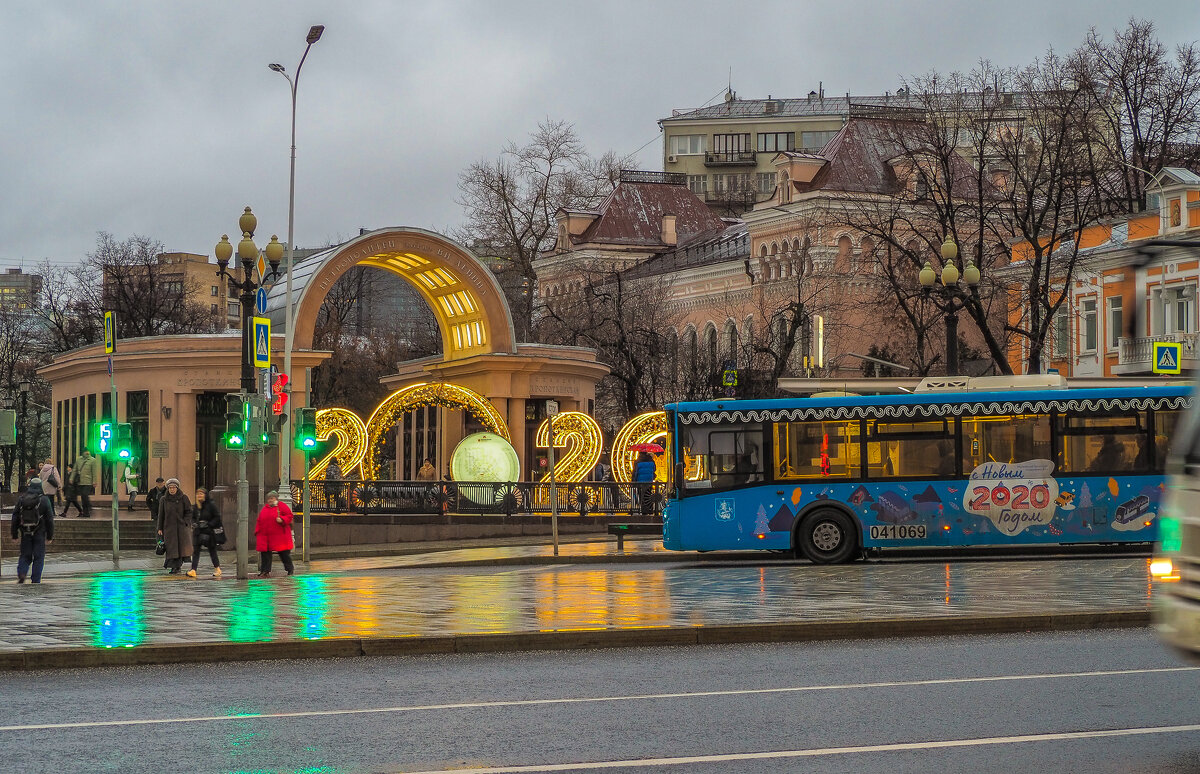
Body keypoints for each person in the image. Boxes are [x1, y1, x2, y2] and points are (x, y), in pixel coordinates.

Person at [10, 477, 54, 583]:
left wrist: (14, 534)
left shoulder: (22, 499)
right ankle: (35, 580)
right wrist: (49, 536)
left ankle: (22, 573)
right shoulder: (44, 500)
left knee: (25, 555)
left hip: (25, 531)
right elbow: (49, 519)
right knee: (39, 557)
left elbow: (15, 517)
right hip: (39, 531)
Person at [156, 478, 193, 574]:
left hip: (181, 528)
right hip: (169, 528)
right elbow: (161, 515)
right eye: (170, 488)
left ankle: (178, 566)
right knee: (171, 548)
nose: (172, 489)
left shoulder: (183, 498)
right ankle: (173, 566)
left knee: (180, 548)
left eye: (174, 487)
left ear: (177, 488)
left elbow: (189, 511)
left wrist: (185, 522)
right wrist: (159, 528)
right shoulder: (164, 499)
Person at [255, 490, 295, 577]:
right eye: (269, 499)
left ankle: (290, 569)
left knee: (284, 554)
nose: (270, 500)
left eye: (272, 498)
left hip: (280, 537)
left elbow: (289, 516)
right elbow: (259, 520)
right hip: (267, 537)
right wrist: (257, 532)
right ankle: (265, 570)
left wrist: (282, 519)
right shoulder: (265, 508)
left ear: (276, 498)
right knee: (265, 554)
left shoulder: (281, 506)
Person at [187, 488, 224, 578]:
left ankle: (217, 568)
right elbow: (193, 517)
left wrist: (209, 524)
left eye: (201, 494)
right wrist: (194, 523)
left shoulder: (211, 506)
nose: (199, 495)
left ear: (205, 495)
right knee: (196, 551)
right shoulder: (196, 506)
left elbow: (217, 517)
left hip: (209, 532)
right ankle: (193, 570)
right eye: (198, 494)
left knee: (212, 551)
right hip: (198, 532)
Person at [71, 448, 99, 518]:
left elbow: (94, 472)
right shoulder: (78, 460)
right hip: (80, 481)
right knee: (83, 497)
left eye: (88, 451)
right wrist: (71, 478)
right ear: (82, 452)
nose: (87, 453)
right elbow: (74, 470)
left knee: (84, 495)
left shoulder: (93, 460)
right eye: (85, 452)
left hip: (88, 482)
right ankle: (85, 512)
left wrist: (94, 481)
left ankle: (88, 508)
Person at [633, 452, 657, 516]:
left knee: (642, 496)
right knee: (648, 495)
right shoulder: (651, 461)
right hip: (649, 481)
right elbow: (654, 469)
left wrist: (633, 481)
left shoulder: (638, 461)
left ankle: (644, 511)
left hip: (640, 482)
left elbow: (635, 472)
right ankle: (650, 510)